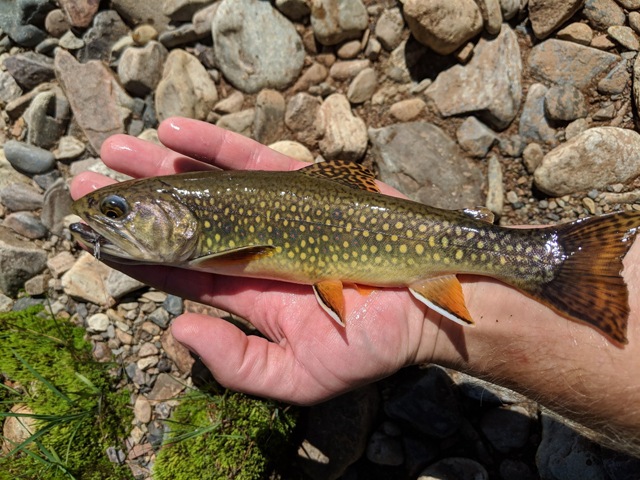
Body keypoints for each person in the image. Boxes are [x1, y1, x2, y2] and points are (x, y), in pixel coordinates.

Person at [70, 117, 640, 457]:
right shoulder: (205, 224)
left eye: (117, 210)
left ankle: (552, 261)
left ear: (178, 219)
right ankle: (557, 263)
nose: (107, 216)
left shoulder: (216, 238)